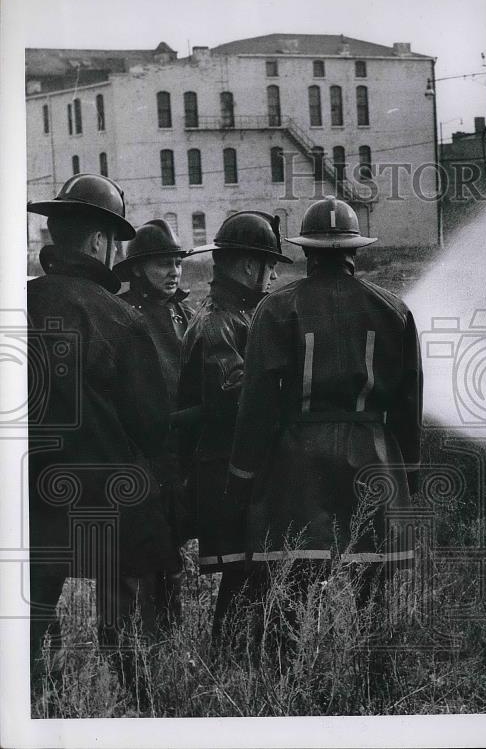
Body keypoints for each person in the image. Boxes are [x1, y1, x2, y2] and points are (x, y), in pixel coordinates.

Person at [224, 197, 422, 651]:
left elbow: (255, 403)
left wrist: (243, 474)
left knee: (290, 593)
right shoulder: (393, 309)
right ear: (355, 251)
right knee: (373, 599)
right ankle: (375, 694)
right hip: (374, 461)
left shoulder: (275, 309)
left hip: (297, 465)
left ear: (307, 251)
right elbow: (409, 405)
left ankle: (289, 690)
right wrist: (408, 474)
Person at [26, 174, 177, 685]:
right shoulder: (120, 318)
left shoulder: (18, 305)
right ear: (98, 242)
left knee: (31, 612)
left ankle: (37, 699)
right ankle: (135, 697)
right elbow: (152, 424)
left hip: (31, 492)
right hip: (109, 496)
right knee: (127, 613)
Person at [175, 211, 290, 646]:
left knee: (255, 576)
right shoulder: (219, 322)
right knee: (244, 577)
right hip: (228, 472)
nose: (275, 274)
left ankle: (245, 664)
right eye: (269, 264)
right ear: (247, 267)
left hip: (239, 470)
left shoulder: (241, 316)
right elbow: (236, 394)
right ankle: (229, 667)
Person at [112, 219, 196, 631]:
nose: (173, 272)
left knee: (172, 552)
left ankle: (168, 641)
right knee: (141, 558)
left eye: (177, 263)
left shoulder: (185, 313)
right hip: (139, 453)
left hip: (178, 450)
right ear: (138, 268)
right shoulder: (124, 314)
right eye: (163, 264)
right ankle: (138, 647)